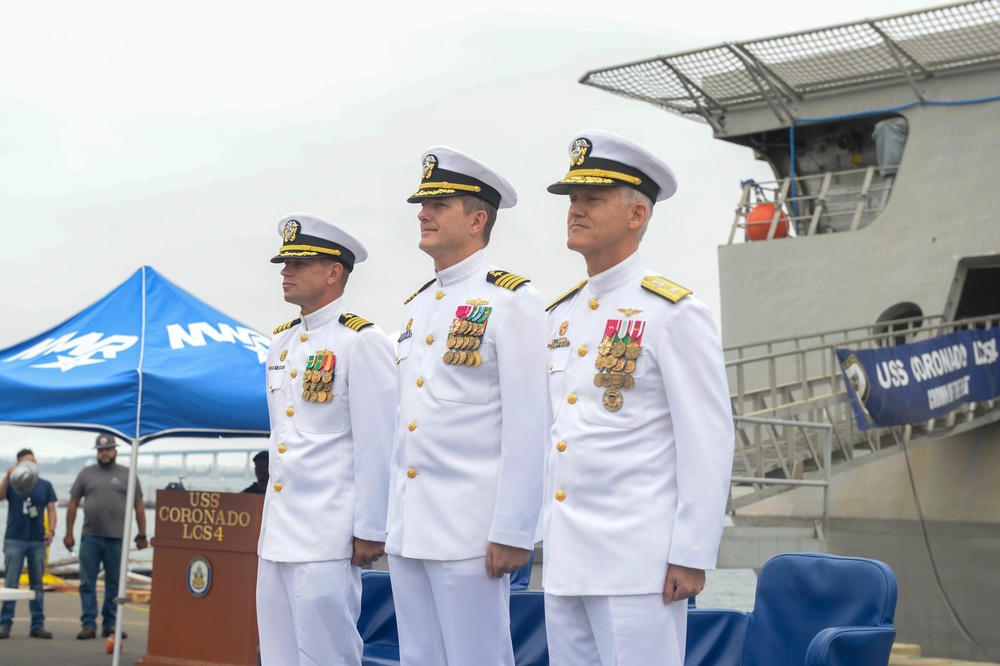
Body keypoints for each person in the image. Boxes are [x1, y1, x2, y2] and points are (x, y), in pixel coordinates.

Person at [541, 129, 734, 666]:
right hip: (565, 559)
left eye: (592, 199)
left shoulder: (673, 313)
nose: (575, 209)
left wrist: (691, 555)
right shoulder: (561, 315)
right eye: (573, 199)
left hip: (638, 564)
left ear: (636, 214)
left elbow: (708, 441)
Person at [385, 147, 547, 666]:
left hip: (471, 531)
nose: (422, 213)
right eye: (422, 204)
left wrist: (513, 530)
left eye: (440, 204)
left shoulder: (513, 300)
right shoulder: (417, 306)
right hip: (410, 526)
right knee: (419, 659)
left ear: (477, 219)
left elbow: (530, 422)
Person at [257, 213, 396, 665]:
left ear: (334, 272)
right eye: (285, 263)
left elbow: (378, 442)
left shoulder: (362, 342)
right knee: (278, 655)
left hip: (326, 534)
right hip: (277, 534)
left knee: (327, 655)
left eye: (299, 263)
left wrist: (370, 529)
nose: (286, 272)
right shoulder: (281, 344)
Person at [63, 433, 148, 640]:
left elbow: (138, 505)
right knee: (86, 582)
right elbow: (73, 503)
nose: (105, 453)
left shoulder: (129, 474)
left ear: (116, 450)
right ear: (97, 452)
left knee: (114, 583)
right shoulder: (85, 474)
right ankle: (88, 624)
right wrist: (68, 533)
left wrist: (142, 534)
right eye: (101, 450)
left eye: (108, 449)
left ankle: (110, 624)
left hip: (116, 538)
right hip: (90, 537)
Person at [0, 449, 57, 639]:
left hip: (36, 540)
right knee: (11, 583)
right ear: (18, 465)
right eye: (26, 463)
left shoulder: (45, 485)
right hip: (15, 538)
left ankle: (37, 625)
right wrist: (8, 476)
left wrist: (51, 531)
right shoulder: (13, 484)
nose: (31, 465)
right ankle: (5, 624)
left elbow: (51, 509)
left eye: (33, 461)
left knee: (37, 584)